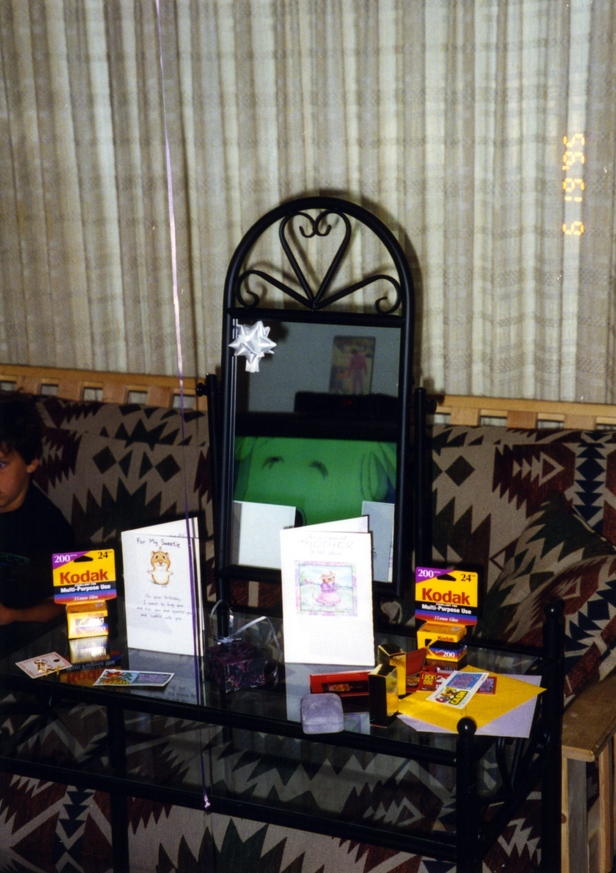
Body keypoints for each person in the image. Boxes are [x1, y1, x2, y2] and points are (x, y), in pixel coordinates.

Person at [0, 393, 75, 646]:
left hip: (17, 645)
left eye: (1, 465)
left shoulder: (50, 526)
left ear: (32, 462)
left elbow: (69, 603)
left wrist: (11, 616)